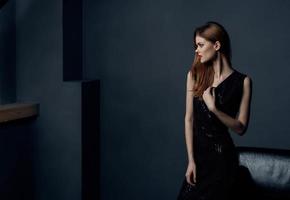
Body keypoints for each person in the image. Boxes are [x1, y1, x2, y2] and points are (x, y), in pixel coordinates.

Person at [176, 21, 252, 200]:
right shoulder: (194, 75)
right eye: (196, 46)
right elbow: (189, 119)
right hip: (199, 161)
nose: (196, 50)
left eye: (200, 45)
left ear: (216, 45)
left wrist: (213, 108)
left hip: (223, 161)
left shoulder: (243, 82)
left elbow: (240, 127)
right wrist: (191, 161)